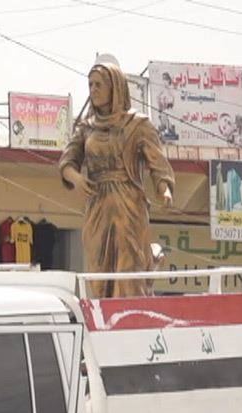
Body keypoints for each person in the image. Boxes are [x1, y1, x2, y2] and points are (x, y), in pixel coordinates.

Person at [60, 62, 176, 298]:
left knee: (128, 271)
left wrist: (164, 188)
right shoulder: (87, 127)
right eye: (90, 84)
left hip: (128, 205)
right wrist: (77, 179)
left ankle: (132, 320)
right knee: (99, 275)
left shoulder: (138, 125)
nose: (93, 89)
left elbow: (156, 162)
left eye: (99, 84)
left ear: (116, 87)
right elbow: (67, 161)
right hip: (97, 206)